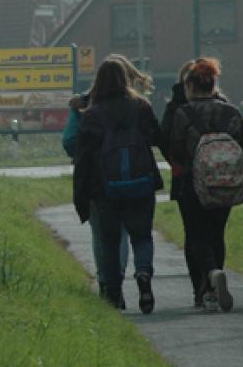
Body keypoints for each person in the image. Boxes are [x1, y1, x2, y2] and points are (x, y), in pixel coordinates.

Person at [73, 59, 164, 313]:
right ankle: (144, 274)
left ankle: (114, 297)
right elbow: (157, 137)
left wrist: (81, 197)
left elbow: (83, 160)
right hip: (141, 185)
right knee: (142, 236)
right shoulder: (141, 107)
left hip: (105, 189)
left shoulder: (92, 115)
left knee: (110, 241)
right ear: (126, 79)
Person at [167, 58, 243, 312]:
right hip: (225, 184)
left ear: (190, 85)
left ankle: (208, 280)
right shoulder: (231, 112)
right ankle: (213, 283)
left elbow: (174, 148)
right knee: (216, 234)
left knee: (196, 234)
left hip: (193, 182)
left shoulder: (183, 113)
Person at [63, 91, 129, 305]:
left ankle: (105, 284)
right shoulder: (133, 109)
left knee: (101, 235)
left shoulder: (90, 115)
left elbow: (70, 142)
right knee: (122, 234)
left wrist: (75, 112)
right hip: (128, 178)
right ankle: (120, 281)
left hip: (96, 182)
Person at [160, 60, 205, 307]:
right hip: (217, 177)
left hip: (185, 177)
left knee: (192, 232)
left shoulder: (173, 108)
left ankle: (198, 286)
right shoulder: (220, 103)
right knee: (215, 231)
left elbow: (164, 139)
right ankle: (214, 274)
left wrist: (176, 162)